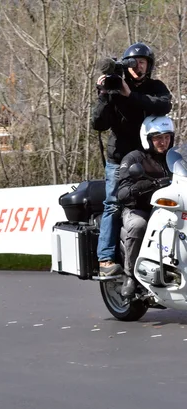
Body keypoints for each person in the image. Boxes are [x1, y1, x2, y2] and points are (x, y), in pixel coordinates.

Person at [91, 42, 172, 277]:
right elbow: (98, 123)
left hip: (150, 158)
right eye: (133, 62)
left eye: (143, 62)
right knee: (114, 204)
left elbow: (164, 105)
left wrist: (131, 95)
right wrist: (105, 95)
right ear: (125, 65)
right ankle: (105, 259)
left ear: (149, 65)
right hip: (119, 158)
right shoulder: (114, 85)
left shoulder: (155, 87)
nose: (138, 66)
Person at [117, 115, 174, 297]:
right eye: (158, 138)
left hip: (168, 208)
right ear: (147, 138)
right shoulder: (134, 158)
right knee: (138, 225)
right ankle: (131, 276)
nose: (163, 142)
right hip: (139, 209)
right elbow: (122, 193)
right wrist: (150, 185)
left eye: (167, 137)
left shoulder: (176, 158)